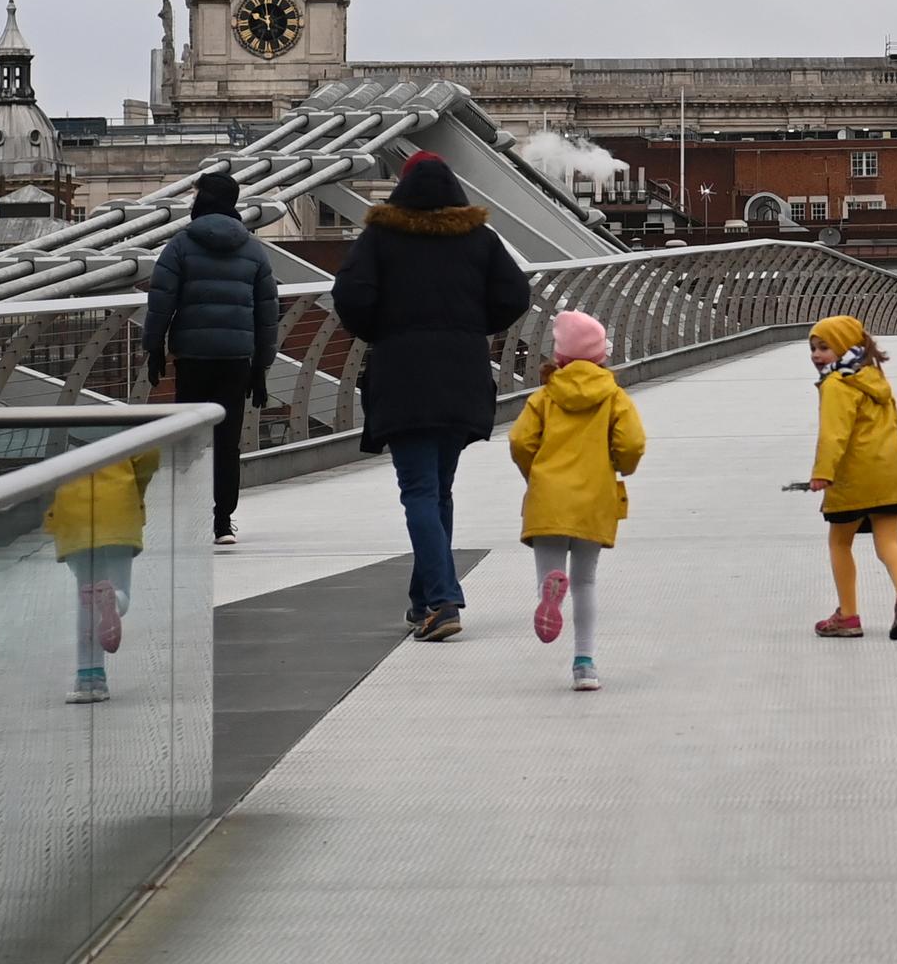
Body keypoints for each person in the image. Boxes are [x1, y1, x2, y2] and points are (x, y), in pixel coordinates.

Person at [331, 150, 532, 642]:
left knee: (419, 491)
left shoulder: (380, 238)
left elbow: (350, 297)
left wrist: (383, 330)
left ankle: (443, 601)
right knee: (438, 489)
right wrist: (471, 328)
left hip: (403, 374)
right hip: (462, 373)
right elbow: (514, 296)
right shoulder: (479, 238)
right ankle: (423, 599)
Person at [505, 308, 644, 692]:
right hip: (594, 496)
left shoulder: (545, 397)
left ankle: (549, 588)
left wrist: (535, 472)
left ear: (559, 357)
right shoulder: (613, 397)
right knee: (585, 582)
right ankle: (585, 664)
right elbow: (632, 443)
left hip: (548, 496)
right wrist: (620, 465)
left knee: (552, 572)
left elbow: (520, 441)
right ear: (602, 356)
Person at [145, 170, 281, 547]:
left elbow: (160, 302)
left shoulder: (179, 246)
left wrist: (153, 347)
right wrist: (262, 367)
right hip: (236, 358)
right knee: (227, 440)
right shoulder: (254, 249)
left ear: (203, 200)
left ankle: (191, 518)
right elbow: (268, 314)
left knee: (190, 439)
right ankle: (222, 522)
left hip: (192, 356)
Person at [800, 314, 897, 640]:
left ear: (844, 348)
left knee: (840, 542)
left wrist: (823, 473)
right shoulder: (874, 379)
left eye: (824, 347)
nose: (816, 355)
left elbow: (834, 434)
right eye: (812, 348)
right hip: (890, 476)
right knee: (889, 544)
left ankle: (848, 616)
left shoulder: (837, 384)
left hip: (852, 479)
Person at [45, 444, 162, 704]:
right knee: (120, 589)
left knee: (85, 600)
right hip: (119, 510)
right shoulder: (120, 423)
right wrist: (136, 489)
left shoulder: (63, 419)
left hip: (73, 516)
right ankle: (114, 600)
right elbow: (149, 455)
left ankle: (89, 679)